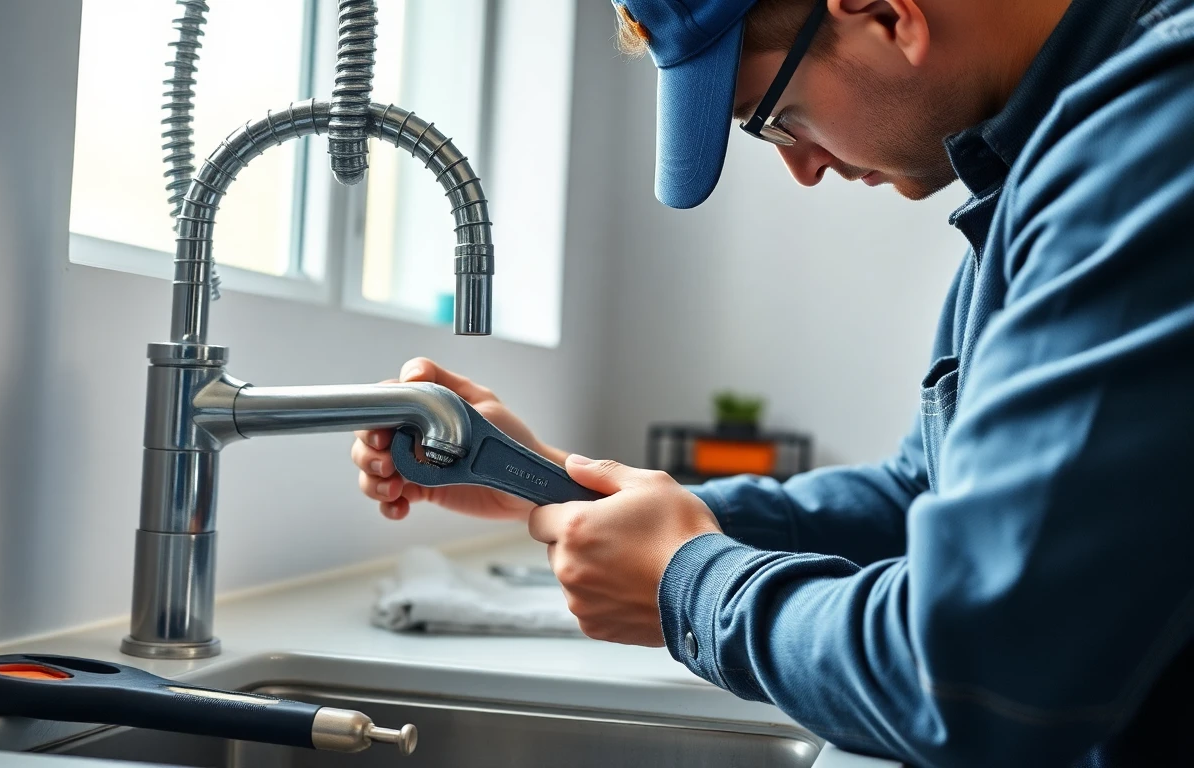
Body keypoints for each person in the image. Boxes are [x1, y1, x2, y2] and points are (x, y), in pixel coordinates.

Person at [350, 0, 1194, 763]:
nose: (802, 169)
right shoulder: (1039, 178)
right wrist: (553, 483)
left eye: (776, 120)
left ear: (885, 12)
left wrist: (687, 587)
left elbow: (982, 672)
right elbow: (917, 498)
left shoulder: (1157, 136)